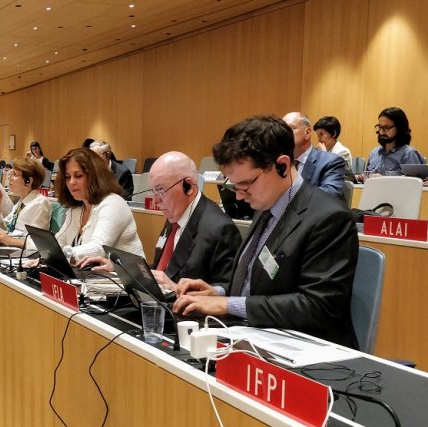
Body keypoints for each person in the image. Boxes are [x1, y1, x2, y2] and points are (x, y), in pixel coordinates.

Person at [172, 115, 359, 348]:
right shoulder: (266, 205)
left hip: (307, 350)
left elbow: (317, 305)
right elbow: (262, 284)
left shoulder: (329, 218)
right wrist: (217, 293)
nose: (239, 195)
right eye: (234, 185)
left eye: (246, 184)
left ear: (282, 166)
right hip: (254, 336)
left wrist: (228, 304)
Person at [77, 152, 242, 291]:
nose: (155, 201)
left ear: (189, 187)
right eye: (153, 191)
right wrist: (121, 268)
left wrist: (176, 289)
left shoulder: (220, 229)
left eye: (160, 190)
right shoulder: (177, 212)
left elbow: (226, 293)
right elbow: (162, 270)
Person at [54, 148, 143, 260]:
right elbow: (60, 241)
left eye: (78, 176)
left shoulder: (113, 203)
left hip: (125, 271)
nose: (71, 182)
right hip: (90, 270)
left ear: (95, 177)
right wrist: (45, 256)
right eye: (67, 177)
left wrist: (62, 254)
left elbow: (98, 248)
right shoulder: (77, 207)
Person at [0, 157, 52, 248]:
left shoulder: (40, 203)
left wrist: (10, 241)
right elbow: (8, 229)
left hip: (25, 253)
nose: (10, 178)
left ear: (28, 181)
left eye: (15, 174)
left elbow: (38, 243)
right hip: (12, 249)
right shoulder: (21, 203)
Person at [282, 112, 346, 200]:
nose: (283, 134)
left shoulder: (331, 162)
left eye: (289, 129)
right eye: (281, 130)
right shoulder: (280, 162)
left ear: (307, 133)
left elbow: (328, 197)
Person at [365, 107, 425, 175]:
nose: (381, 132)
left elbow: (414, 180)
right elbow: (367, 176)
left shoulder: (409, 154)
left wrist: (382, 178)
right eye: (380, 127)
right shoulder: (374, 152)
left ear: (399, 128)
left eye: (386, 127)